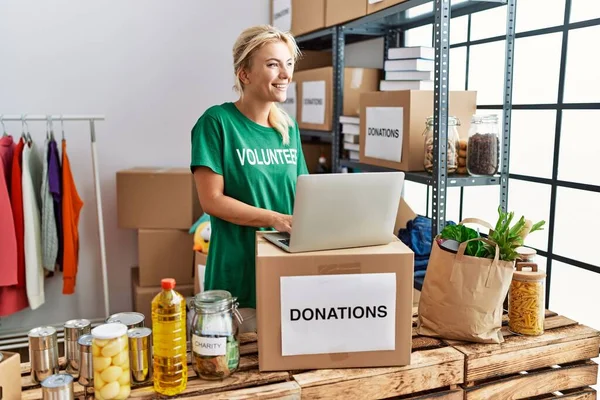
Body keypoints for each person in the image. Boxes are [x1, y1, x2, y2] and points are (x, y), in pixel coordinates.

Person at [190, 25, 309, 333]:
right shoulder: (216, 123)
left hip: (287, 275)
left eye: (289, 64)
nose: (285, 74)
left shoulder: (288, 128)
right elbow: (212, 200)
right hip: (238, 281)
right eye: (273, 64)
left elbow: (305, 193)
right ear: (245, 74)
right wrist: (275, 219)